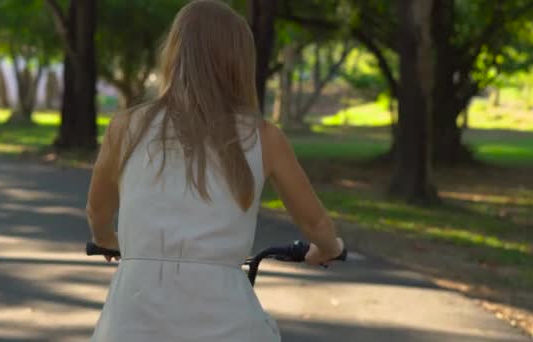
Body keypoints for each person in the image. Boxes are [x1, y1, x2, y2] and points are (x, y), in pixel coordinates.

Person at [86, 1, 344, 341]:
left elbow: (97, 211)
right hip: (226, 325)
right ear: (240, 64)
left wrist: (108, 240)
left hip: (130, 323)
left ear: (174, 54)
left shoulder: (126, 127)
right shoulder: (263, 137)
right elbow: (315, 224)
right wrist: (328, 248)